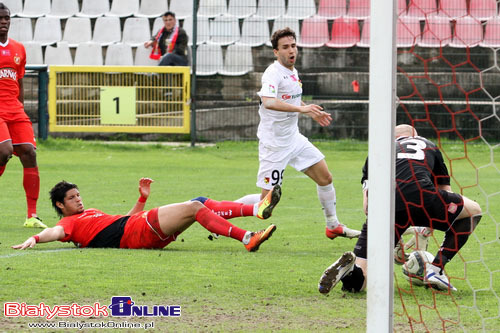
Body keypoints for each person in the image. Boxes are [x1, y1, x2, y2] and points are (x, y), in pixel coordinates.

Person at [318, 124, 482, 293]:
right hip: (423, 196)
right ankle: (436, 269)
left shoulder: (378, 151)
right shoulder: (428, 144)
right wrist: (429, 225)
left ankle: (350, 270)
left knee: (358, 284)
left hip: (385, 206)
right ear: (415, 135)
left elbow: (367, 207)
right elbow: (445, 192)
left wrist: (394, 234)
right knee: (473, 211)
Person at [237, 27, 360, 240]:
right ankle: (219, 213)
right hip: (274, 144)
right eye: (285, 47)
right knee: (264, 206)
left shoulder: (293, 71)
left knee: (325, 177)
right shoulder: (272, 73)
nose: (291, 50)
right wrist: (302, 109)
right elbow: (268, 101)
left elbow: (290, 99)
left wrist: (308, 111)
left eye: (293, 46)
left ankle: (333, 225)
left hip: (293, 139)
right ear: (276, 52)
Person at [12, 178, 281, 252]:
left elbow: (121, 221)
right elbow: (55, 232)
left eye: (79, 195)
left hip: (135, 227)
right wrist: (36, 238)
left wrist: (141, 198)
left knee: (199, 202)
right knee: (197, 207)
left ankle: (255, 210)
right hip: (138, 232)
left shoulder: (90, 213)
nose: (79, 200)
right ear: (60, 206)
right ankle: (247, 237)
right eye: (72, 198)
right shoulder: (67, 223)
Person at [0, 3, 46, 229]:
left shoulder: (18, 48)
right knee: (5, 151)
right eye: (0, 18)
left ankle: (32, 215)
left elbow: (19, 82)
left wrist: (22, 107)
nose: (4, 22)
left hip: (14, 108)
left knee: (29, 153)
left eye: (7, 18)